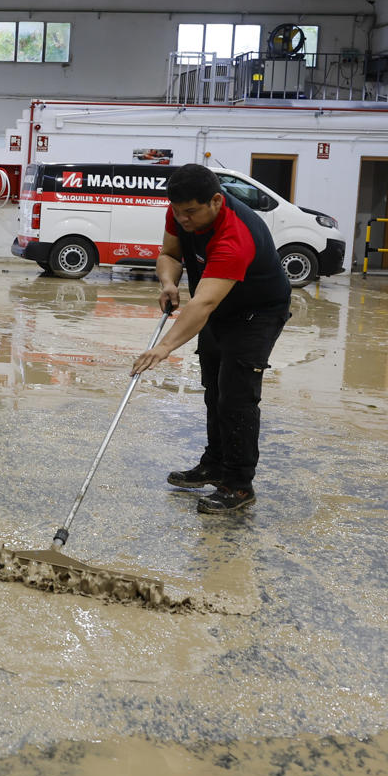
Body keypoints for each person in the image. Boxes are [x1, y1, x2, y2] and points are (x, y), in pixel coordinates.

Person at [130, 163, 292, 514]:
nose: (183, 220)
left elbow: (202, 302)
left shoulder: (236, 235)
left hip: (257, 313)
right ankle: (215, 464)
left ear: (216, 201)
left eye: (190, 212)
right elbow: (170, 254)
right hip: (219, 309)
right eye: (177, 212)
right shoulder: (181, 211)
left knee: (237, 397)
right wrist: (168, 282)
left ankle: (238, 485)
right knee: (214, 389)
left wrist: (164, 347)